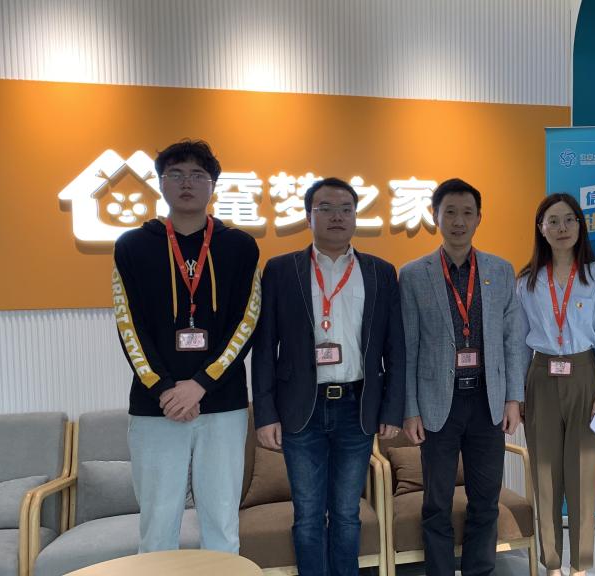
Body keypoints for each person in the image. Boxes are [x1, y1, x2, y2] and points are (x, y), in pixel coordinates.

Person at [112, 139, 260, 552]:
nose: (187, 183)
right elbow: (129, 326)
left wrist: (200, 384)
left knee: (222, 520)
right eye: (175, 174)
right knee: (158, 523)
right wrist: (164, 389)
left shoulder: (240, 246)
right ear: (161, 183)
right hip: (155, 406)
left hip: (222, 403)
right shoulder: (132, 246)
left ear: (213, 184)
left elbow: (246, 322)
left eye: (198, 175)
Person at [251, 177, 405, 576]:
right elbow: (265, 347)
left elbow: (395, 348)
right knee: (307, 514)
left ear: (355, 216)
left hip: (357, 406)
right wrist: (265, 414)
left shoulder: (380, 272)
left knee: (347, 513)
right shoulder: (281, 270)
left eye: (346, 209)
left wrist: (392, 409)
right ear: (308, 216)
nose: (337, 216)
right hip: (301, 409)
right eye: (326, 208)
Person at [400, 177, 527, 576]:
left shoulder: (500, 270)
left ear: (478, 218)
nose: (458, 221)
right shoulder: (414, 274)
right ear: (435, 216)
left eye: (467, 213)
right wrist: (411, 409)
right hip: (438, 405)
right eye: (450, 212)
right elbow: (408, 346)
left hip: (487, 402)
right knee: (436, 504)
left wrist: (513, 398)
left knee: (485, 502)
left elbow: (512, 339)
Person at [516, 193, 595, 576]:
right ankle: (553, 565)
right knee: (545, 476)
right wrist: (516, 395)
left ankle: (580, 566)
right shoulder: (527, 281)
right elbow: (518, 342)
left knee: (583, 476)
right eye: (553, 221)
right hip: (541, 377)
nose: (562, 228)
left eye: (569, 220)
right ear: (540, 229)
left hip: (586, 377)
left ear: (580, 225)